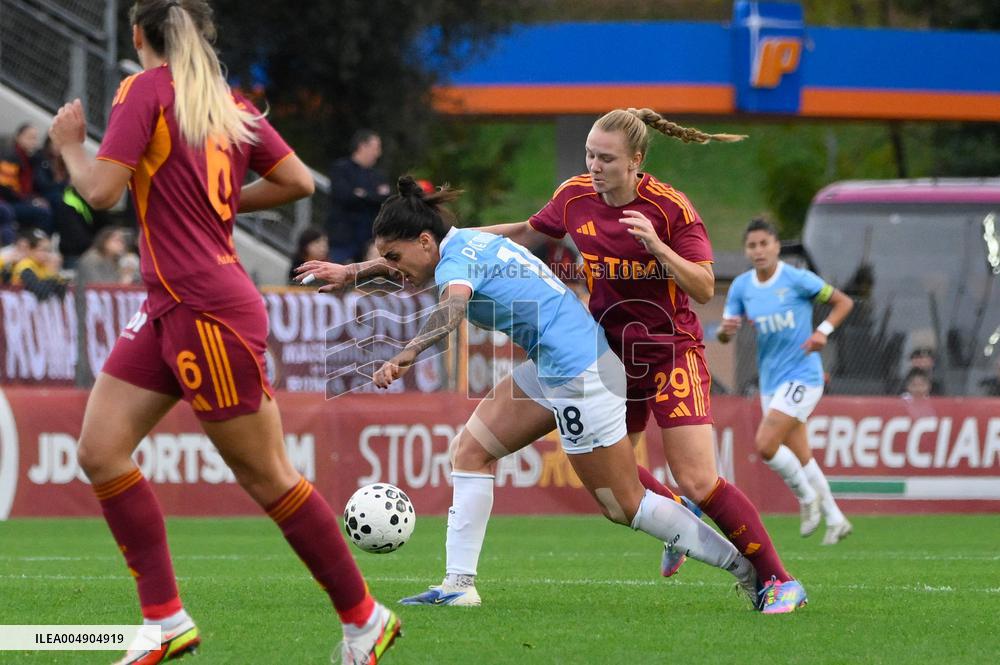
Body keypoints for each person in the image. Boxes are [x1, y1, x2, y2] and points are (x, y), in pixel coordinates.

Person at [308, 109, 809, 614]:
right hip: (590, 350)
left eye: (605, 157)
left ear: (636, 160)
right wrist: (357, 270)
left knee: (631, 502)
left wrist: (407, 353)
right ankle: (459, 584)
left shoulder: (667, 208)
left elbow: (453, 307)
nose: (593, 165)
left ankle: (759, 572)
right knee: (472, 450)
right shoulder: (507, 224)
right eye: (589, 153)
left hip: (629, 358)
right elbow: (522, 230)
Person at [47, 2, 400, 664]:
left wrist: (68, 142)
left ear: (135, 35)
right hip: (172, 301)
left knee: (268, 475)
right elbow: (296, 181)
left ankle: (364, 615)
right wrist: (218, 205)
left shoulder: (142, 89)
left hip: (203, 307)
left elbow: (99, 191)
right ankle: (166, 619)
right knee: (100, 449)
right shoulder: (226, 102)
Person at [718, 218, 854, 546]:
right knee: (801, 454)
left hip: (803, 376)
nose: (759, 250)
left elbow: (843, 302)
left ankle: (807, 499)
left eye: (765, 243)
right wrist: (725, 332)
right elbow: (724, 333)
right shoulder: (741, 287)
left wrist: (823, 332)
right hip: (771, 382)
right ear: (746, 251)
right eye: (752, 246)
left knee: (765, 445)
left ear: (777, 246)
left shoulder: (797, 279)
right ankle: (836, 520)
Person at [326, 129, 390, 263]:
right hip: (343, 239)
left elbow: (385, 199)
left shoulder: (377, 175)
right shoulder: (341, 169)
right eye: (375, 148)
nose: (378, 153)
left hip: (368, 240)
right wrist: (372, 196)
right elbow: (344, 196)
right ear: (362, 146)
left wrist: (362, 194)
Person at [0, 123, 54, 232]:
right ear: (18, 137)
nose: (33, 142)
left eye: (35, 139)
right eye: (29, 137)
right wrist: (29, 200)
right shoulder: (10, 156)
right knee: (43, 213)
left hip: (21, 200)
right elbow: (5, 188)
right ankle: (34, 240)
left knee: (49, 204)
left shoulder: (31, 159)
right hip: (8, 202)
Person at [9, 227, 66, 300]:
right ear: (30, 249)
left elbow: (62, 290)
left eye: (49, 250)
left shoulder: (43, 265)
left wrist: (53, 273)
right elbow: (41, 293)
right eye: (43, 250)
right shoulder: (24, 266)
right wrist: (51, 275)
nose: (47, 254)